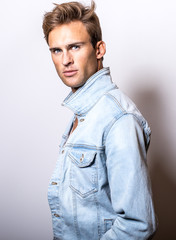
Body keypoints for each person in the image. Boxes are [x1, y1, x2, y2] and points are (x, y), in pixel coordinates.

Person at [42, 1, 157, 239]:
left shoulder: (118, 119)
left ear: (99, 49)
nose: (65, 60)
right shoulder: (85, 114)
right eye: (57, 50)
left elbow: (138, 225)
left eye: (74, 47)